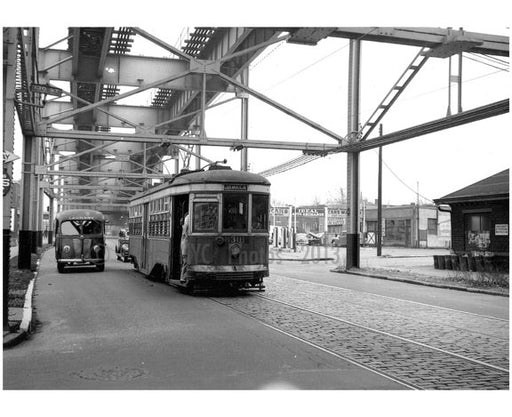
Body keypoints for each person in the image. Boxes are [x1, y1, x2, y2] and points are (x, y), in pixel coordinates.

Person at [180, 212, 190, 283]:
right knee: (186, 262)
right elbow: (184, 234)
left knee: (185, 262)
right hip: (186, 246)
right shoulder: (188, 219)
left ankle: (183, 277)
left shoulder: (184, 227)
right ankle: (183, 277)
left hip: (185, 246)